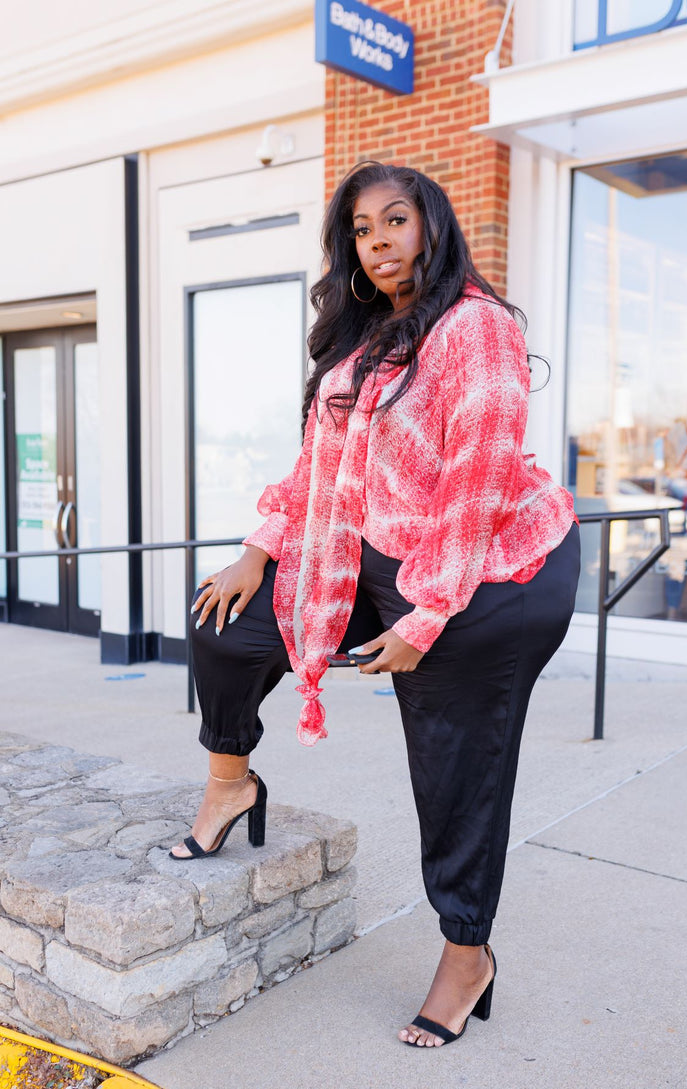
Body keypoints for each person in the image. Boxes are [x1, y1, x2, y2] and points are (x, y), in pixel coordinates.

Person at [169, 161, 580, 1048]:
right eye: (362, 228)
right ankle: (230, 787)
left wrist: (427, 616)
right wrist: (259, 547)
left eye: (398, 220)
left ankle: (467, 953)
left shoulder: (476, 328)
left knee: (453, 758)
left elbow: (475, 486)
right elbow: (320, 464)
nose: (380, 239)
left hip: (492, 565)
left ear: (432, 227)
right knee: (227, 625)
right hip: (379, 545)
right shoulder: (364, 339)